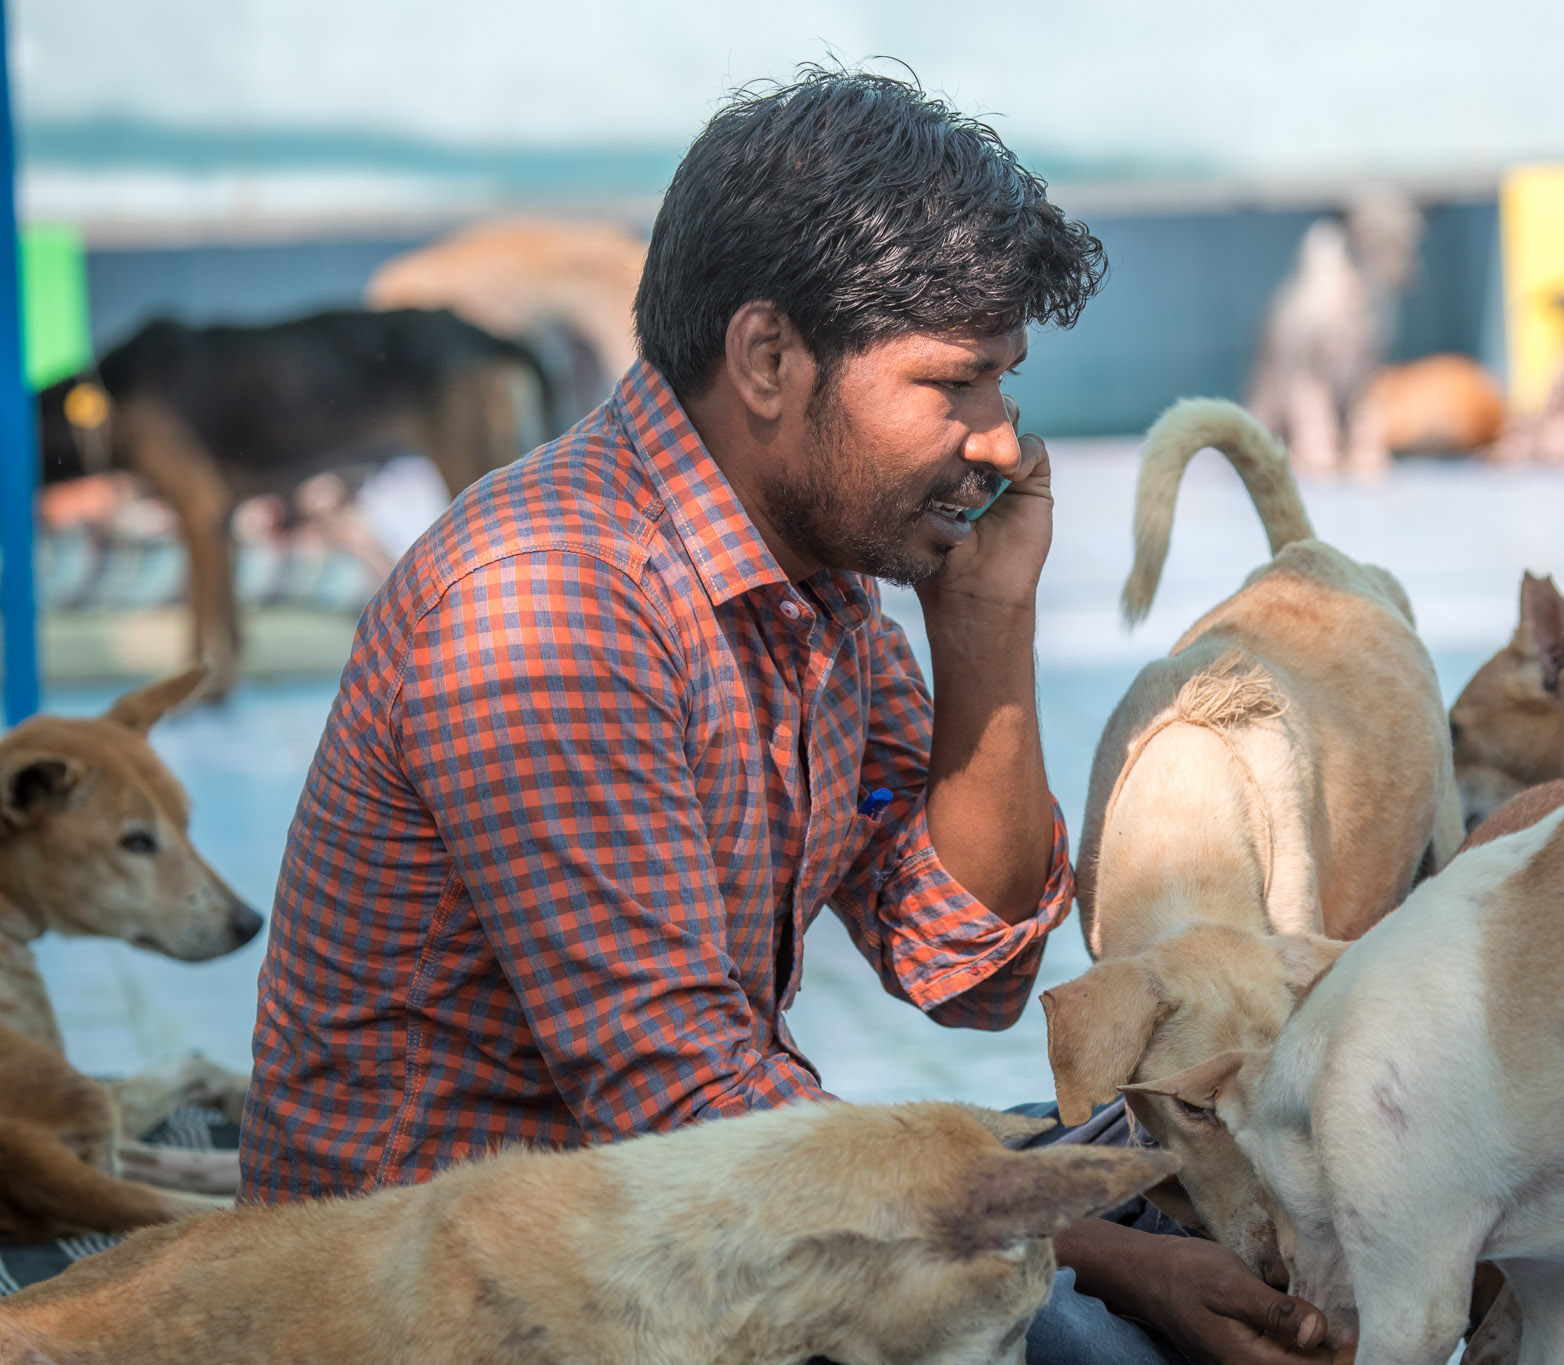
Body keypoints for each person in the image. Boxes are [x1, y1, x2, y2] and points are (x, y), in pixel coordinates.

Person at [241, 68, 1342, 1364]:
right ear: (768, 360)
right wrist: (1093, 1249)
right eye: (956, 384)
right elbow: (686, 1109)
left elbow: (967, 972)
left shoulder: (813, 587)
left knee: (1218, 1173)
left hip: (659, 1232)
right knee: (1126, 1312)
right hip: (455, 1310)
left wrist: (987, 623)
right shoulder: (549, 602)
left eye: (1005, 384)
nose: (1002, 440)